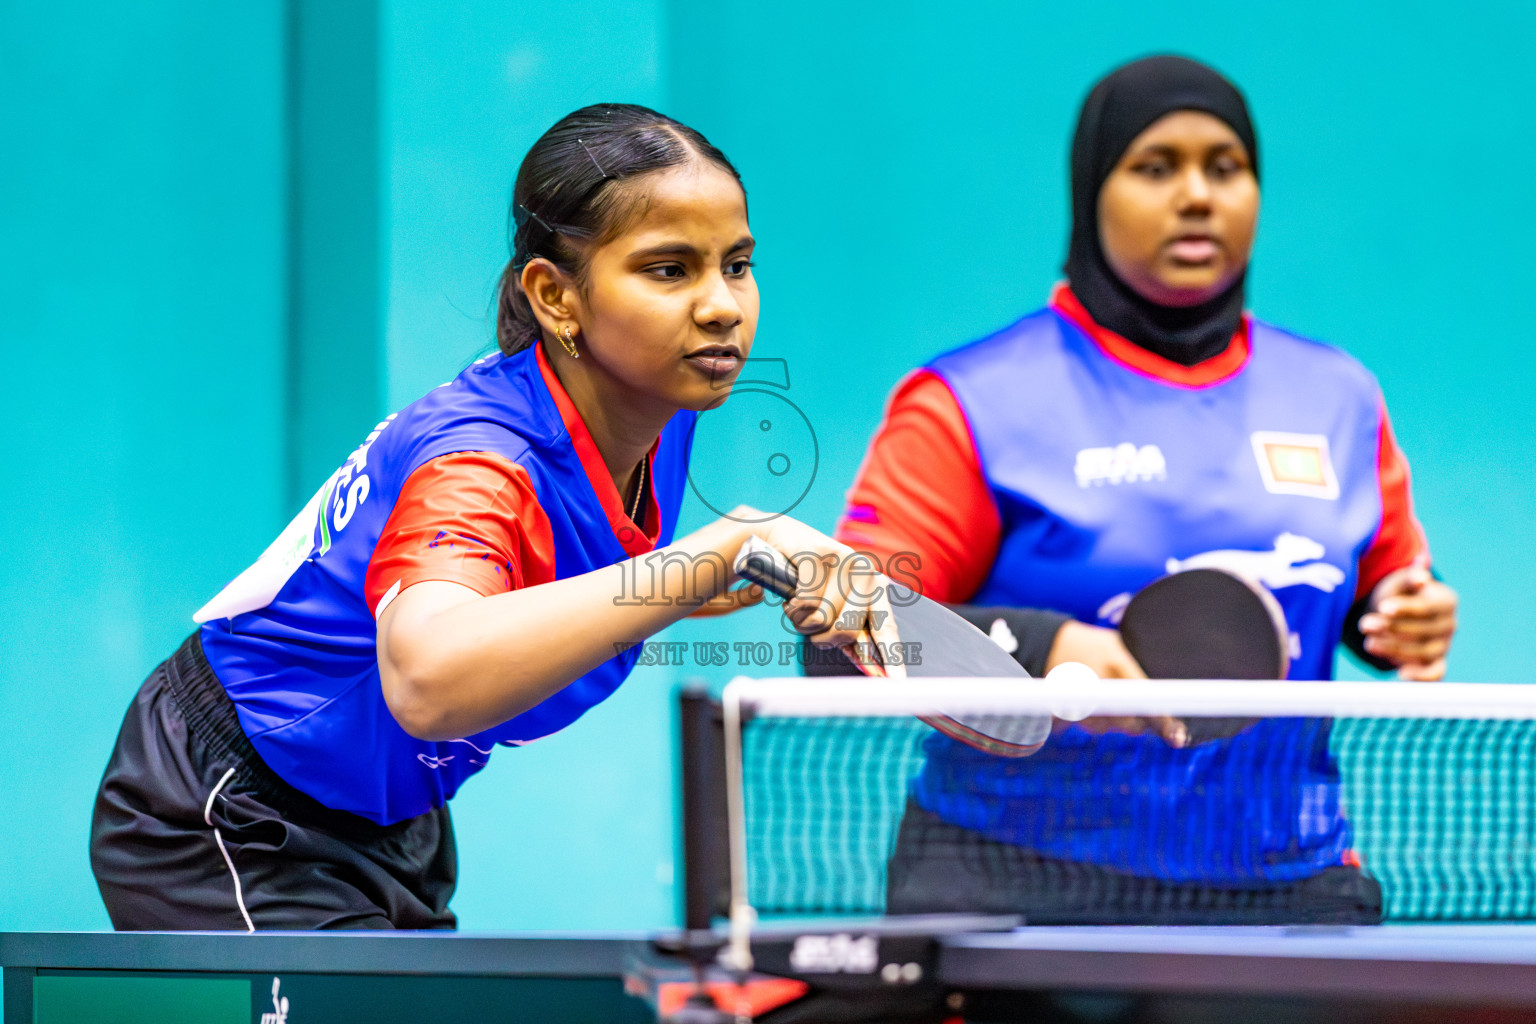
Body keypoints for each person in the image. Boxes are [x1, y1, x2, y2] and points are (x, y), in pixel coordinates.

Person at [90, 104, 890, 931]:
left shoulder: (657, 406)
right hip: (234, 808)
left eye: (737, 264)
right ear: (555, 296)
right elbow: (429, 679)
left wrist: (678, 586)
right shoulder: (477, 462)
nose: (723, 305)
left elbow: (554, 567)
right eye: (668, 270)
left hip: (396, 816)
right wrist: (714, 554)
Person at [829, 57, 1458, 924]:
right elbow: (839, 638)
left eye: (1225, 167)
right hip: (1017, 881)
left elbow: (1378, 588)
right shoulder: (971, 403)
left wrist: (1403, 619)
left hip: (1282, 887)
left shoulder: (1337, 396)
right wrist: (1044, 651)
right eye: (1155, 167)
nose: (1196, 195)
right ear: (1094, 192)